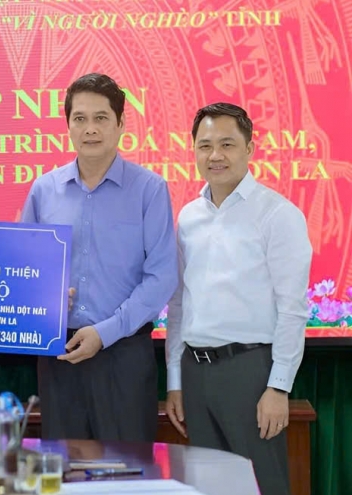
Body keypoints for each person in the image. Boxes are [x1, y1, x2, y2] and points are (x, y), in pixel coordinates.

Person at [21, 73, 178, 442]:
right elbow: (25, 271)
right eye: (80, 118)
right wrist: (45, 299)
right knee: (63, 465)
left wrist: (105, 333)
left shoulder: (149, 190)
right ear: (68, 126)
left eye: (101, 118)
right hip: (59, 354)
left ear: (120, 123)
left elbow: (162, 277)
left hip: (124, 354)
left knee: (127, 467)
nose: (90, 129)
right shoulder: (44, 190)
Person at [165, 103, 311, 495]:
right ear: (194, 150)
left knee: (262, 485)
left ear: (249, 148)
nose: (215, 155)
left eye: (227, 144)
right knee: (207, 487)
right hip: (195, 372)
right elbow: (178, 304)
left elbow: (293, 309)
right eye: (205, 145)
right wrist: (175, 381)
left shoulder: (278, 215)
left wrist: (278, 387)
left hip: (249, 372)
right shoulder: (188, 218)